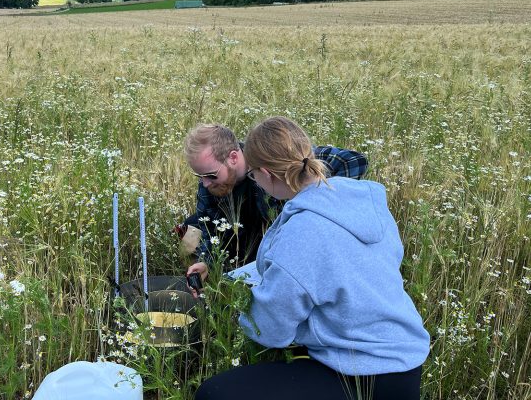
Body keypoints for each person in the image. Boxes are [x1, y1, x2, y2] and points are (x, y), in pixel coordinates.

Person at [194, 116, 429, 400]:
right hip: (405, 363)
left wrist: (237, 304)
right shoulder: (364, 204)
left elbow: (271, 330)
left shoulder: (301, 231)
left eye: (254, 176)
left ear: (266, 174)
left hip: (363, 374)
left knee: (214, 393)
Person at [178, 123, 368, 269]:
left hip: (284, 253)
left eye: (211, 175)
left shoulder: (269, 160)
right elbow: (209, 229)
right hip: (242, 257)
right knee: (190, 232)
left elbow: (353, 161)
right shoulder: (209, 180)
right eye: (200, 176)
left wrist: (314, 196)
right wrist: (206, 264)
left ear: (234, 158)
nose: (205, 183)